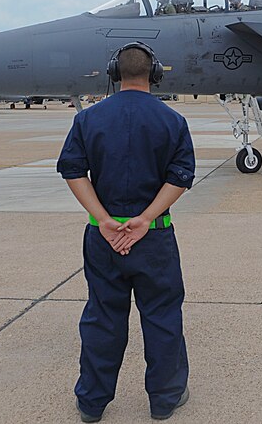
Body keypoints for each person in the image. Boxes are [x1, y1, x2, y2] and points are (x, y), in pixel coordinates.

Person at [57, 42, 194, 421]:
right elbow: (180, 177)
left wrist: (103, 219)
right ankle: (164, 400)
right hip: (154, 238)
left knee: (103, 317)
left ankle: (92, 404)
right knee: (162, 316)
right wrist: (147, 218)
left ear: (114, 73)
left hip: (104, 239)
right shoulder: (173, 121)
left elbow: (72, 171)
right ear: (155, 74)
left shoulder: (87, 119)